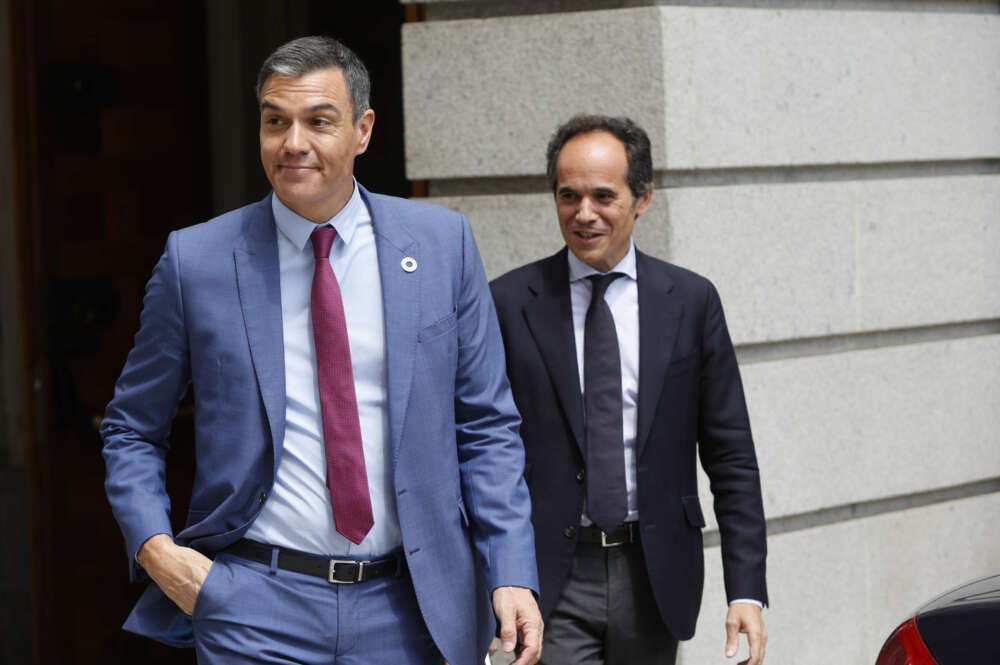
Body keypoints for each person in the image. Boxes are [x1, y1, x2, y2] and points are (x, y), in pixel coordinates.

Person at [101, 35, 542, 665]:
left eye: (318, 121)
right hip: (253, 607)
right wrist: (156, 549)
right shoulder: (195, 261)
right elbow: (131, 428)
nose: (293, 143)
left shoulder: (443, 245)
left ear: (362, 130)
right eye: (275, 121)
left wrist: (510, 569)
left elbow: (487, 426)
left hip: (410, 609)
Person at [490, 115, 768, 665]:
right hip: (551, 574)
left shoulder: (689, 301)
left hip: (655, 572)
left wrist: (746, 588)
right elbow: (480, 448)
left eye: (602, 196)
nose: (583, 213)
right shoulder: (507, 303)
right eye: (568, 196)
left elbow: (731, 454)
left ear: (642, 198)